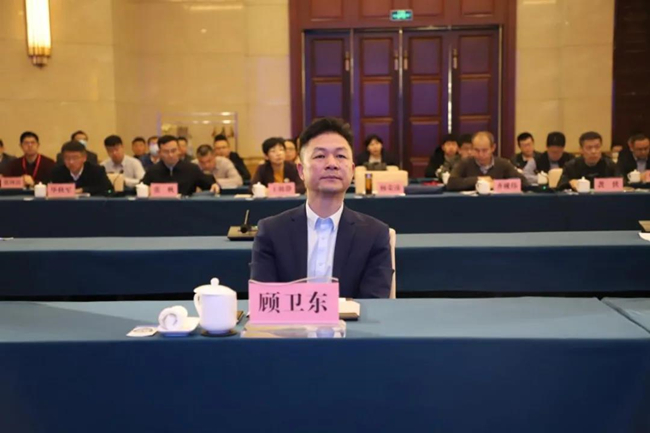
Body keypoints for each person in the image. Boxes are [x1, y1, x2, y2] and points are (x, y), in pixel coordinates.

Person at [251, 117, 392, 298]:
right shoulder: (271, 231)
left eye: (340, 156)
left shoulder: (375, 234)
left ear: (352, 170)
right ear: (301, 170)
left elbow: (375, 304)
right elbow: (265, 301)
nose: (332, 164)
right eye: (320, 156)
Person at [447, 131, 528, 191]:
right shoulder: (464, 163)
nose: (480, 154)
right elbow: (451, 184)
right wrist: (478, 179)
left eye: (485, 150)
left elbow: (524, 183)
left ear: (493, 148)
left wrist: (496, 184)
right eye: (476, 150)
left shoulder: (503, 164)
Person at [142, 135, 219, 196]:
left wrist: (213, 185)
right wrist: (146, 190)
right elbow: (141, 187)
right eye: (166, 152)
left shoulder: (191, 169)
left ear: (179, 150)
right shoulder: (153, 171)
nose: (170, 155)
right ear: (159, 153)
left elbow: (208, 184)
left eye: (173, 150)